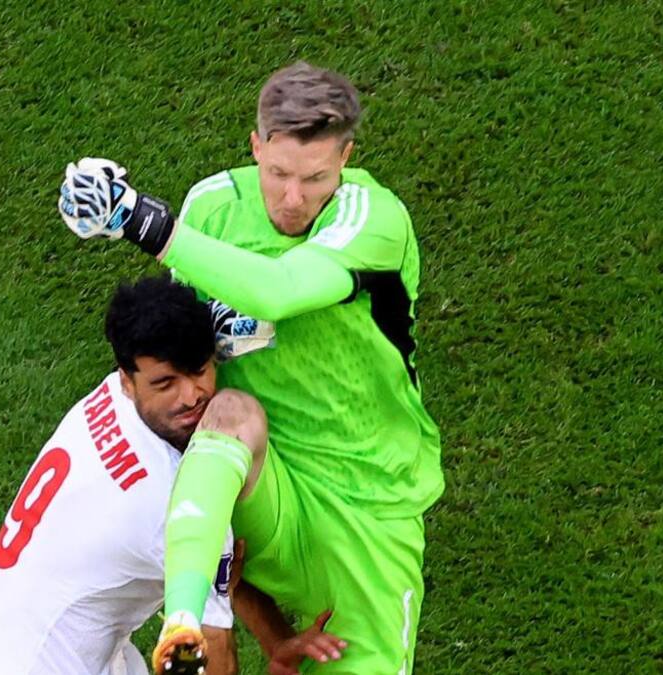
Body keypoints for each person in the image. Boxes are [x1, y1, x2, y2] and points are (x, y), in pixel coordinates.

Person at [58, 62, 443, 674]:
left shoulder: (373, 218)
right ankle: (181, 618)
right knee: (231, 411)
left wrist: (140, 220)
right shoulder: (212, 208)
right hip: (249, 482)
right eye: (278, 173)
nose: (294, 198)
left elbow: (279, 291)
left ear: (346, 157)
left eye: (315, 178)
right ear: (256, 146)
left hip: (366, 509)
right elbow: (180, 358)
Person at [0, 276, 345, 675]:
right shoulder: (173, 500)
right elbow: (214, 654)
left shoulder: (113, 397)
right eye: (165, 384)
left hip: (5, 643)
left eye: (198, 371)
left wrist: (277, 641)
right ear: (128, 381)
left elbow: (219, 576)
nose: (190, 397)